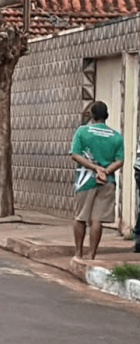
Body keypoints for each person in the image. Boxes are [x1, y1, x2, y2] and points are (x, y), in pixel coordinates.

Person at [70, 101, 124, 260]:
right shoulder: (116, 136)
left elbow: (75, 154)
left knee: (80, 217)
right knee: (97, 220)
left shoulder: (82, 131)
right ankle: (91, 255)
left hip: (85, 180)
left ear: (92, 115)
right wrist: (105, 170)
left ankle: (78, 253)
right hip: (107, 181)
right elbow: (120, 161)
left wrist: (94, 168)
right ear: (106, 116)